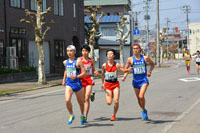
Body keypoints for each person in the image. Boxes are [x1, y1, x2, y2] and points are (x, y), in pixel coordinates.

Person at [121, 43, 155, 120]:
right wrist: (124, 77)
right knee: (139, 99)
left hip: (144, 80)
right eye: (134, 49)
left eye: (137, 48)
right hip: (135, 81)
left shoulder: (145, 58)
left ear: (140, 49)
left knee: (141, 96)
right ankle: (143, 109)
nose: (135, 50)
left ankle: (143, 111)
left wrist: (149, 71)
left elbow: (152, 64)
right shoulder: (130, 59)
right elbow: (126, 70)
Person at [101, 49, 132, 121]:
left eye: (111, 54)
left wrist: (129, 69)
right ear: (106, 55)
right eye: (108, 54)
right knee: (109, 103)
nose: (110, 55)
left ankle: (114, 115)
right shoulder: (104, 65)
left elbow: (124, 70)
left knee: (116, 101)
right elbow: (102, 75)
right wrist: (103, 84)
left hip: (115, 84)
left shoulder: (117, 65)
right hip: (107, 85)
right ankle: (111, 95)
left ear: (114, 55)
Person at [62, 45, 87, 125]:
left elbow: (84, 73)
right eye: (68, 51)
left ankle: (82, 115)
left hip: (77, 83)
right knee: (67, 100)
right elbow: (66, 70)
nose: (69, 52)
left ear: (75, 52)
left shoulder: (78, 61)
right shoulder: (65, 62)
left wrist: (76, 76)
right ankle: (71, 115)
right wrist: (64, 79)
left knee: (80, 102)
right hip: (69, 83)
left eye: (71, 51)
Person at [80, 44, 98, 122]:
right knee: (83, 99)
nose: (84, 52)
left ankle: (85, 116)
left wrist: (95, 71)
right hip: (81, 80)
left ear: (88, 52)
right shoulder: (79, 60)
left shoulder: (92, 61)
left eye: (86, 51)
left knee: (86, 98)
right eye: (83, 51)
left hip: (89, 79)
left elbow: (93, 69)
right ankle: (91, 95)